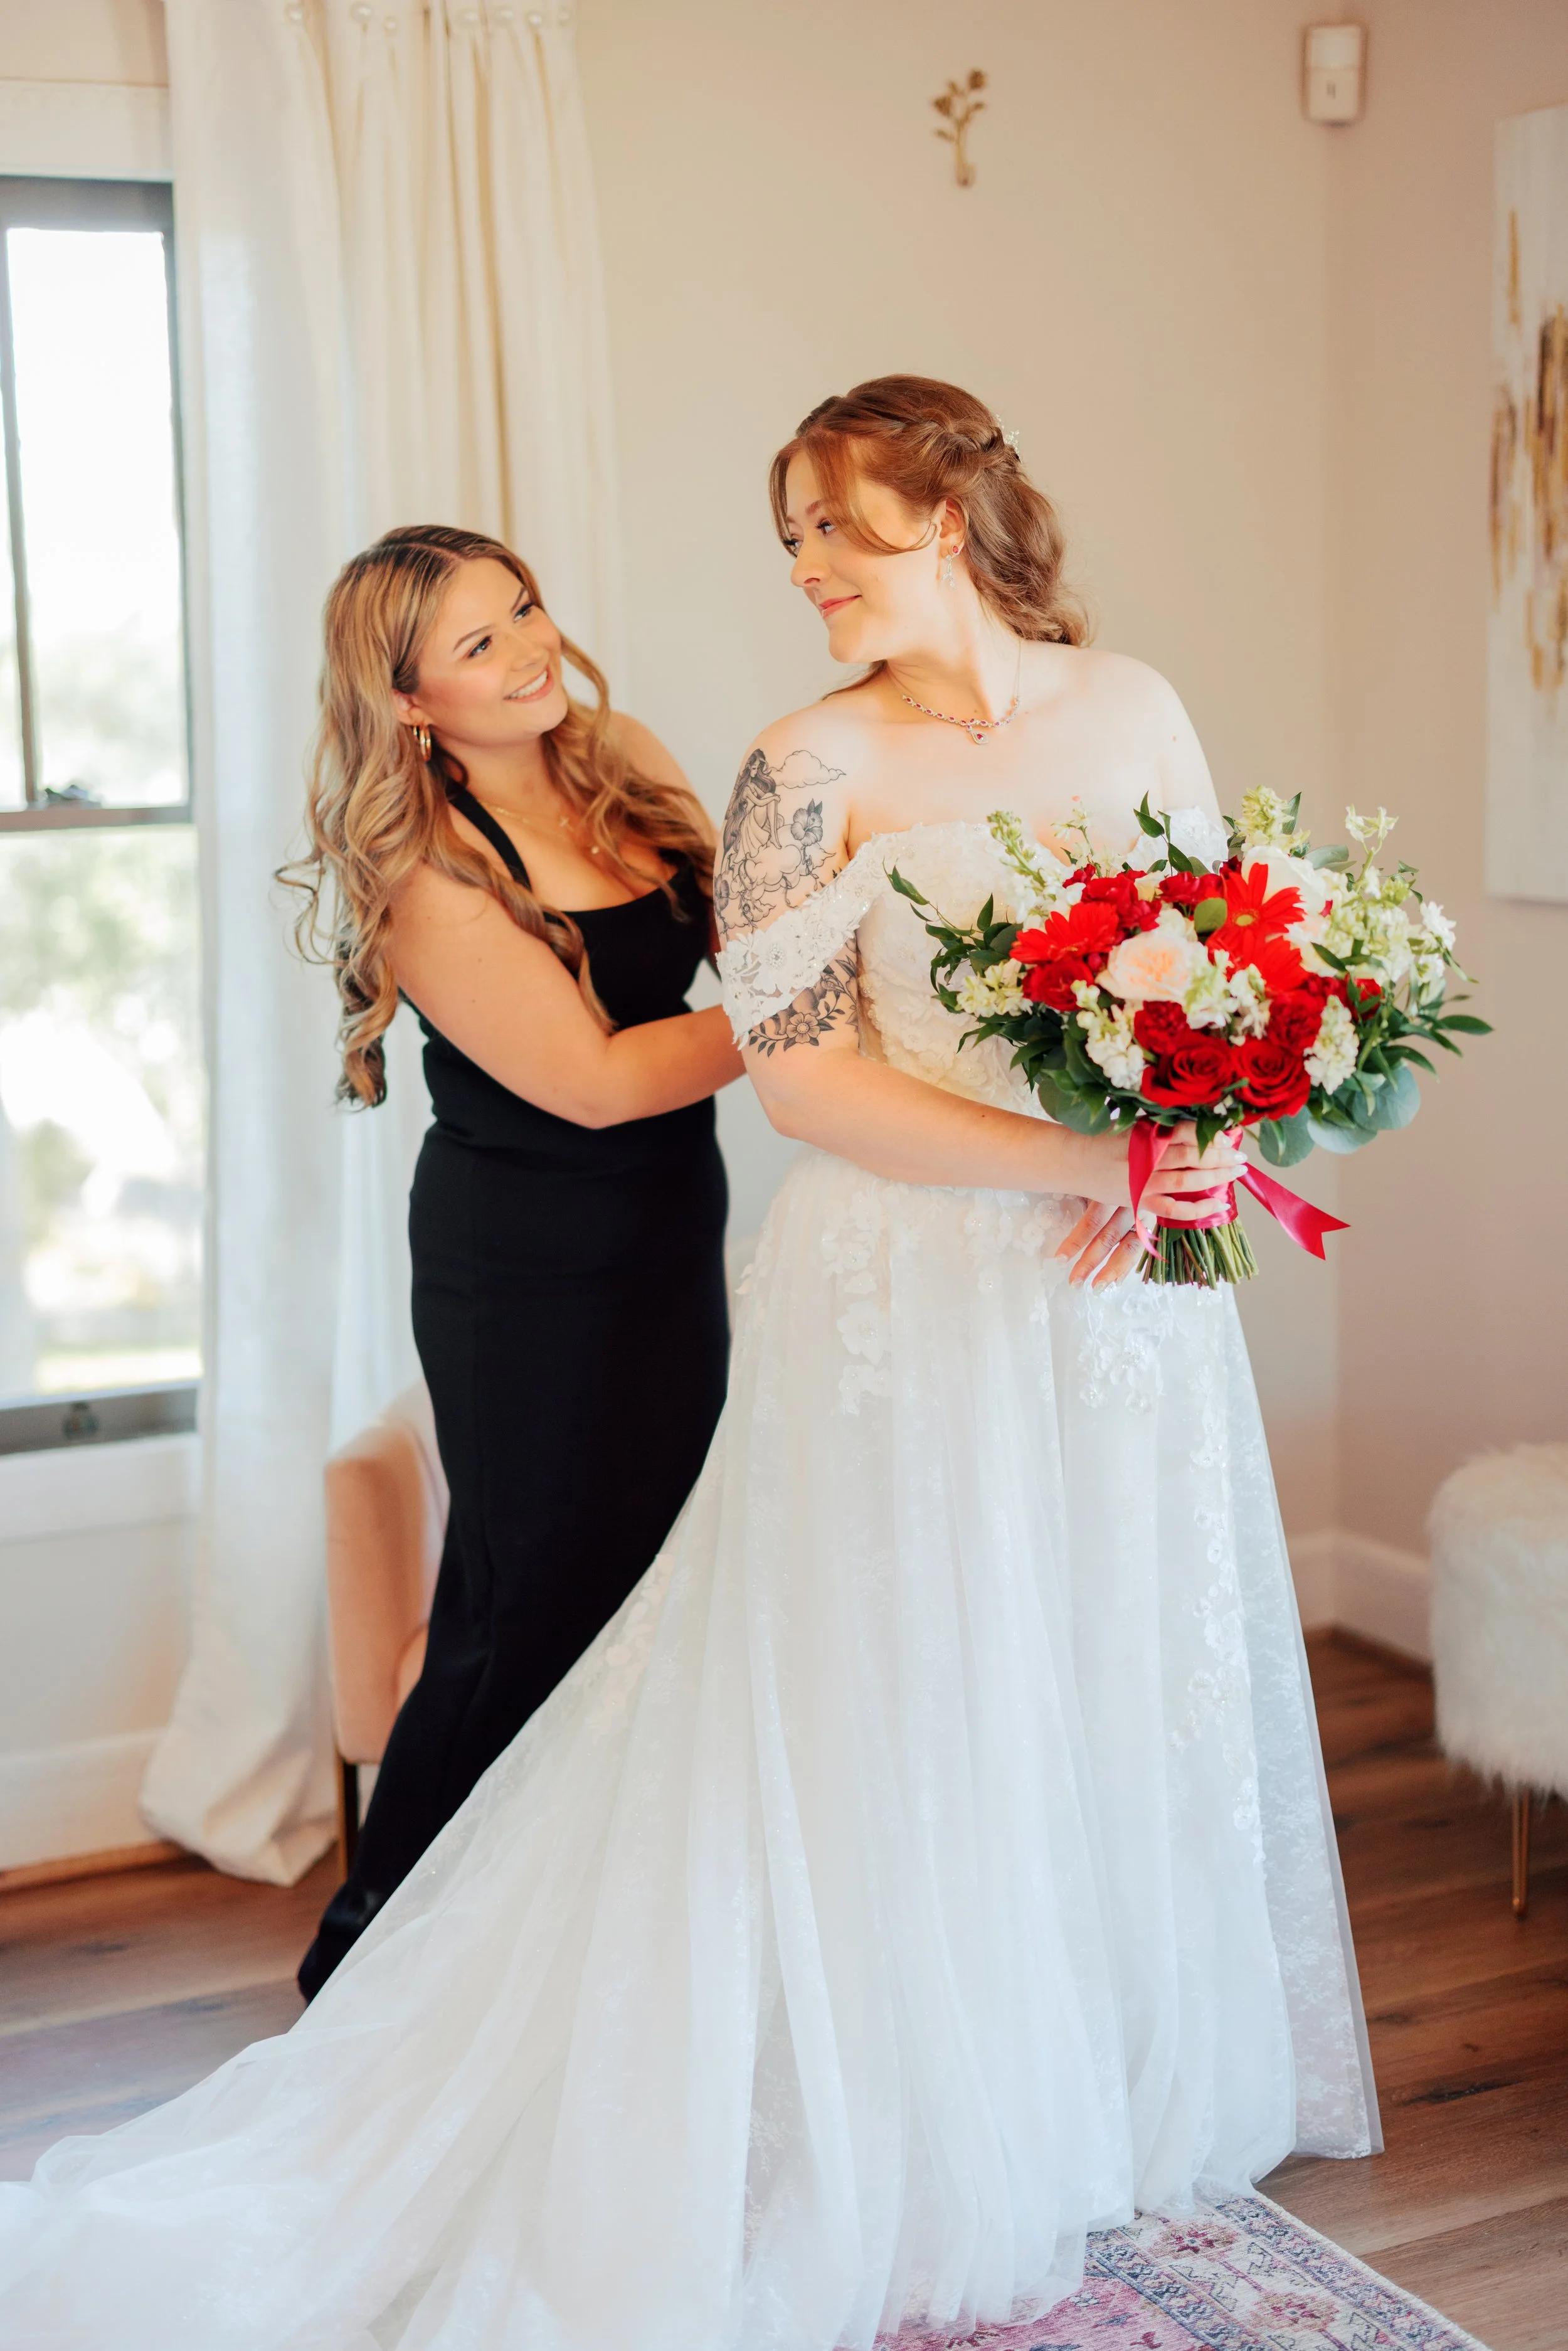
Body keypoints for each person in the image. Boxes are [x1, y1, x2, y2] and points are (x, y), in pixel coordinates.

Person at [0, 389, 1377, 2348]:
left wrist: (1220, 1107)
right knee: (582, 1614)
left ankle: (1073, 2059)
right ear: (407, 701)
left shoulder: (1074, 711)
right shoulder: (768, 771)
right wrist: (1025, 1101)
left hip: (1050, 1271)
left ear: (953, 510)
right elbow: (741, 1070)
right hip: (592, 1252)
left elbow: (1215, 937)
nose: (802, 571)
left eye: (832, 530)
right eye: (787, 538)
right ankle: (400, 1958)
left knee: (1083, 1645)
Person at [286, 525, 743, 1996]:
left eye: (525, 609)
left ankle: (573, 1938)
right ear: (409, 698)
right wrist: (810, 1008)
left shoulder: (619, 754)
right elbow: (602, 1078)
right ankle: (370, 1950)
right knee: (522, 1602)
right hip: (523, 1271)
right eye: (478, 643)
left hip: (669, 1232)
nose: (528, 649)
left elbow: (745, 929)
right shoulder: (425, 867)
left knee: (652, 1581)